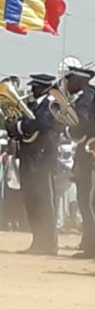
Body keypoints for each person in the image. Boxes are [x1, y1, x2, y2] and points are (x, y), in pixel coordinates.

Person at [5, 74, 59, 254]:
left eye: (35, 87)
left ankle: (49, 243)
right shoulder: (31, 105)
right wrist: (12, 126)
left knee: (44, 201)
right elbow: (25, 127)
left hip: (43, 157)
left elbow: (43, 123)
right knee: (31, 201)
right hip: (29, 156)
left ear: (43, 87)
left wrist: (20, 126)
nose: (32, 90)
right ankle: (38, 240)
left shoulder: (51, 103)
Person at [64, 66, 95, 258]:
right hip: (86, 154)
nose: (68, 84)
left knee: (87, 202)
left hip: (88, 155)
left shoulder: (85, 99)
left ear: (80, 80)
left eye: (71, 80)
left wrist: (66, 131)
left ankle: (91, 245)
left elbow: (84, 126)